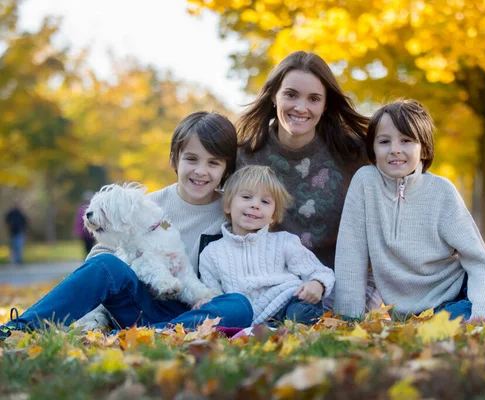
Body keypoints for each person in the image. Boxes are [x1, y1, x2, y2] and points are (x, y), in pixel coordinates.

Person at [0, 111, 253, 340]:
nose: (201, 171)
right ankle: (19, 328)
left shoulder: (232, 213)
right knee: (106, 264)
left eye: (213, 163)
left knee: (239, 306)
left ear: (226, 168)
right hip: (137, 303)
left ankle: (156, 333)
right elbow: (101, 256)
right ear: (174, 159)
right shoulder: (146, 205)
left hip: (193, 312)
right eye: (191, 159)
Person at [334, 99, 485, 323]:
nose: (395, 150)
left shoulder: (441, 191)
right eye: (384, 141)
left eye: (406, 140)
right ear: (372, 147)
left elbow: (478, 260)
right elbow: (350, 254)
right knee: (450, 320)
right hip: (421, 313)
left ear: (424, 148)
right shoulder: (365, 183)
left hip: (469, 287)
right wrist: (348, 318)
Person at [236, 50, 380, 311]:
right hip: (272, 288)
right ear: (273, 95)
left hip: (343, 284)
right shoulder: (245, 156)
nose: (301, 108)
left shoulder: (354, 153)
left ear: (325, 105)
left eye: (314, 99)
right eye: (290, 95)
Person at [199, 165, 335, 325]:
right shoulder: (212, 253)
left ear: (272, 216)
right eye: (246, 197)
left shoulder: (285, 241)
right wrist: (205, 300)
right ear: (228, 205)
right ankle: (269, 331)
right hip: (246, 316)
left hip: (287, 301)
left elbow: (319, 271)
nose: (255, 205)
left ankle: (286, 329)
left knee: (302, 310)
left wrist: (317, 284)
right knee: (222, 314)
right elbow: (213, 294)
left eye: (265, 201)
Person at [73, 190, 96, 257]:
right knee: (88, 248)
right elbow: (79, 222)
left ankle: (89, 258)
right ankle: (88, 258)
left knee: (90, 248)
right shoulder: (82, 209)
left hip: (91, 232)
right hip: (85, 233)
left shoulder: (92, 208)